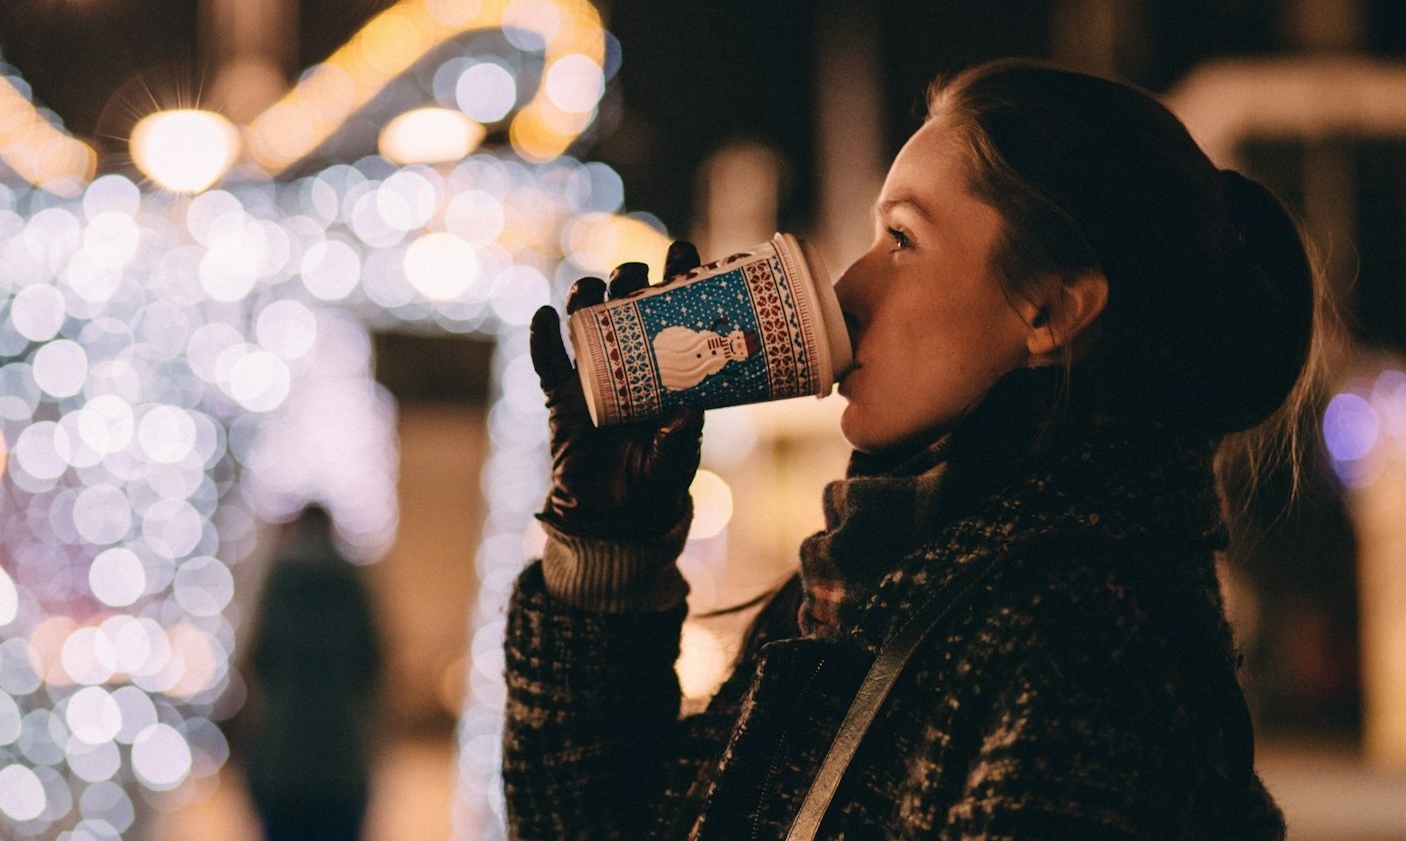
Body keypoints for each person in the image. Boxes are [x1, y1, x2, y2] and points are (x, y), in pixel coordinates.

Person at [503, 59, 1320, 839]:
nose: (850, 289)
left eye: (902, 238)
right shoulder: (871, 585)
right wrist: (609, 548)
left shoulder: (1082, 642)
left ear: (1050, 310)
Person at [233, 503, 383, 841]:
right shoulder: (351, 586)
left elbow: (258, 662)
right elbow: (372, 664)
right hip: (340, 759)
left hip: (284, 759)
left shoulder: (278, 586)